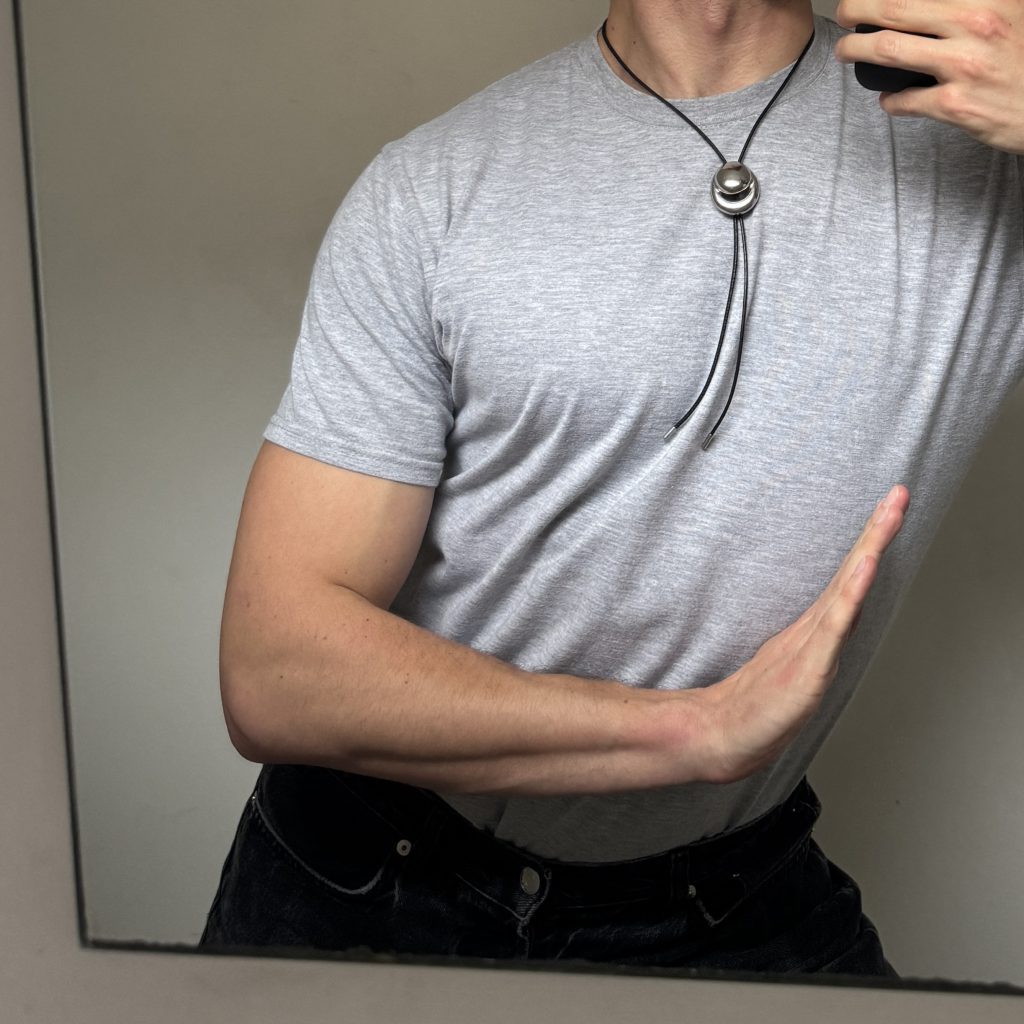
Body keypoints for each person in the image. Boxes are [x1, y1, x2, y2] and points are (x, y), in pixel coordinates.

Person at [198, 0, 1023, 976]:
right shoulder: (430, 186)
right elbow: (277, 672)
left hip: (725, 899)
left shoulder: (988, 138)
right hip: (368, 879)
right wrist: (692, 730)